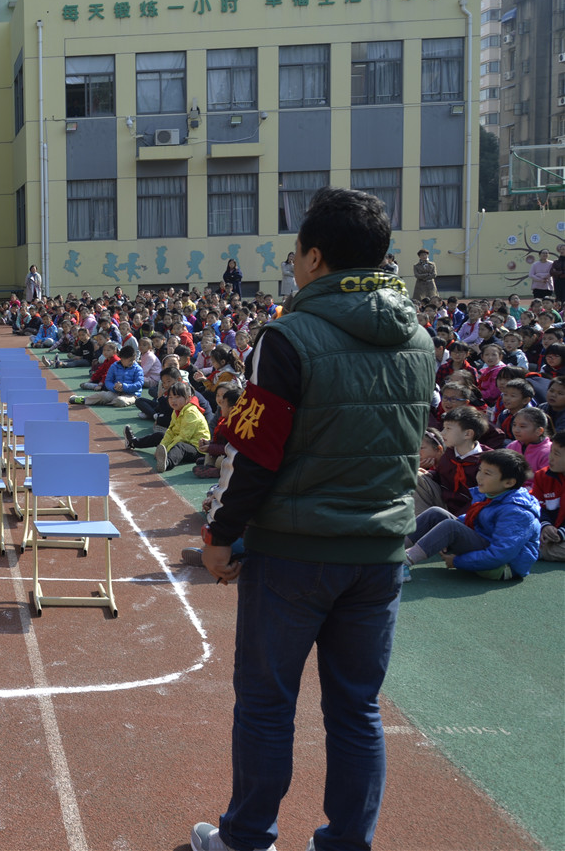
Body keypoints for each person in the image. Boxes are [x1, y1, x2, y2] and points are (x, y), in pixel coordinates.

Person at [191, 187, 433, 851]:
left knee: (268, 703)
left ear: (316, 257)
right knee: (355, 709)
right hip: (381, 550)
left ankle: (246, 838)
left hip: (296, 551)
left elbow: (252, 451)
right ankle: (347, 843)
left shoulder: (288, 335)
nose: (292, 262)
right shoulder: (419, 337)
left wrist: (218, 535)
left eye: (296, 251)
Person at [404, 449, 540, 583]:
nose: (479, 476)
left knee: (451, 527)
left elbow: (501, 554)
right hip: (485, 551)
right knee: (436, 513)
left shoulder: (517, 511)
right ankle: (393, 550)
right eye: (480, 470)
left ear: (509, 482)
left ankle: (404, 561)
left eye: (487, 473)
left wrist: (457, 561)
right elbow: (473, 521)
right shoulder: (493, 494)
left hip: (503, 567)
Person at [124, 381, 208, 472]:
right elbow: (170, 431)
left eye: (177, 397)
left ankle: (166, 463)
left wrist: (166, 451)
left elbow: (184, 437)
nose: (173, 400)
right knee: (160, 435)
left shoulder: (191, 412)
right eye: (170, 397)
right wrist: (162, 446)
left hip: (198, 449)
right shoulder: (176, 410)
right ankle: (132, 442)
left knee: (180, 446)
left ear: (188, 398)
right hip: (182, 440)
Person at [530, 438, 565, 561]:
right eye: (551, 452)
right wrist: (545, 525)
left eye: (556, 454)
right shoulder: (542, 476)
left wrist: (561, 533)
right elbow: (536, 505)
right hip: (549, 533)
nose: (550, 457)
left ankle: (538, 551)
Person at [79, 343, 145, 408]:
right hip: (115, 392)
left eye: (133, 360)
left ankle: (107, 402)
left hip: (131, 394)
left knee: (120, 401)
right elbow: (108, 381)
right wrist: (114, 387)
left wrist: (124, 386)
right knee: (101, 396)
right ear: (121, 359)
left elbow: (139, 383)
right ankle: (84, 399)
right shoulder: (114, 366)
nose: (132, 362)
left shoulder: (138, 369)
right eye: (129, 360)